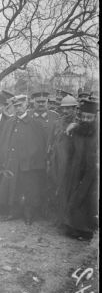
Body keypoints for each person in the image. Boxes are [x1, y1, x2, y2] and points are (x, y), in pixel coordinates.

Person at [0, 95, 47, 225]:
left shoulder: (35, 124)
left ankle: (29, 214)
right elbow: (4, 141)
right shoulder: (10, 123)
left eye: (20, 106)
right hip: (13, 163)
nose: (18, 109)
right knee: (13, 188)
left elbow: (40, 145)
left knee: (29, 189)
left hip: (29, 164)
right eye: (16, 106)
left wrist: (32, 158)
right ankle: (14, 211)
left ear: (26, 106)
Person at [62, 99, 98, 241]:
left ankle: (86, 230)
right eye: (83, 117)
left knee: (85, 199)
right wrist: (67, 132)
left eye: (89, 117)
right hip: (75, 170)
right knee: (73, 197)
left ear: (94, 118)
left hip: (91, 172)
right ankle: (73, 228)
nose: (85, 120)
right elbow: (69, 150)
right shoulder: (76, 131)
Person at [47, 95, 79, 225]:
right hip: (57, 161)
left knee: (70, 189)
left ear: (75, 109)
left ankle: (69, 219)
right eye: (64, 109)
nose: (65, 111)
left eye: (69, 109)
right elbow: (50, 142)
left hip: (72, 163)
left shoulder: (79, 124)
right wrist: (49, 159)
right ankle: (59, 217)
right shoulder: (57, 123)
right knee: (57, 188)